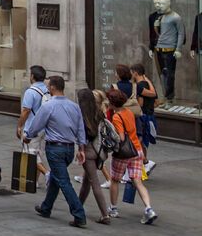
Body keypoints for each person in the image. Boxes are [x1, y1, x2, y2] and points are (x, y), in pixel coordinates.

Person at [23, 75, 88, 227]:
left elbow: (36, 124)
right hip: (69, 148)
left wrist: (28, 135)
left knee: (63, 181)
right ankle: (46, 207)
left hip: (55, 148)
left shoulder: (48, 106)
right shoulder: (74, 106)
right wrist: (81, 147)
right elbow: (80, 128)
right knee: (56, 178)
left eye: (48, 86)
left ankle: (79, 214)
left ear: (52, 87)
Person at [104, 88, 156, 223]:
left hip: (124, 152)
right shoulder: (128, 112)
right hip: (137, 150)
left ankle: (113, 208)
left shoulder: (116, 116)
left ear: (112, 102)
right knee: (137, 181)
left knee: (115, 179)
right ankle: (149, 209)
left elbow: (120, 138)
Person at [76, 88, 112, 224]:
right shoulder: (99, 113)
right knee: (87, 181)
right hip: (98, 150)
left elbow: (82, 136)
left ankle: (105, 214)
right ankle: (78, 207)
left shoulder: (83, 116)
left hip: (88, 151)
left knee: (94, 182)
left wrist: (80, 150)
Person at [18, 66, 51, 187]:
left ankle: (47, 174)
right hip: (44, 128)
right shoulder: (47, 90)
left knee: (29, 153)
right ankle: (34, 181)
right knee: (39, 153)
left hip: (32, 128)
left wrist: (20, 126)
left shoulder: (30, 91)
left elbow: (26, 110)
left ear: (32, 76)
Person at [131, 64, 158, 174]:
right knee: (143, 141)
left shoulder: (140, 86)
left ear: (135, 73)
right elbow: (156, 100)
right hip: (150, 114)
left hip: (144, 116)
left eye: (131, 72)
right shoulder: (147, 84)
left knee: (140, 140)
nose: (131, 75)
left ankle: (145, 162)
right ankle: (144, 163)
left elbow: (141, 103)